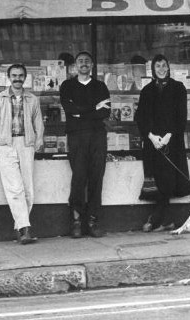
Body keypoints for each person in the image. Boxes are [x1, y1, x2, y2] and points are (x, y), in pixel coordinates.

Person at [0, 63, 45, 245]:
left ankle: (20, 227)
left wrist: (39, 141)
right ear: (9, 77)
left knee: (28, 189)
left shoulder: (32, 100)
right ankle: (25, 229)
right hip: (6, 145)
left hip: (26, 144)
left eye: (21, 75)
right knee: (14, 188)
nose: (17, 78)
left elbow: (38, 123)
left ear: (25, 77)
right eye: (14, 75)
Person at [135, 54, 190, 232]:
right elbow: (141, 117)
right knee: (157, 181)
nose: (161, 69)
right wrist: (151, 136)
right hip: (152, 143)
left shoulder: (178, 88)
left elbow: (181, 116)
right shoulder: (147, 90)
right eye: (157, 65)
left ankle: (155, 219)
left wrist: (168, 136)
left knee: (168, 179)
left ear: (168, 67)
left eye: (163, 65)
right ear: (153, 69)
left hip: (171, 142)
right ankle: (166, 220)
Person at [59, 50, 110, 238]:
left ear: (92, 65)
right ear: (75, 66)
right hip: (77, 136)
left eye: (87, 61)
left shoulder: (100, 86)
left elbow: (105, 112)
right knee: (79, 177)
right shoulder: (67, 86)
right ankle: (76, 221)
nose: (84, 64)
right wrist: (92, 109)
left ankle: (93, 221)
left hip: (97, 136)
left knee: (97, 177)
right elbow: (69, 109)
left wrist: (81, 112)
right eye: (80, 61)